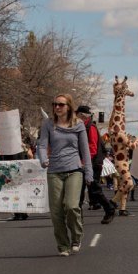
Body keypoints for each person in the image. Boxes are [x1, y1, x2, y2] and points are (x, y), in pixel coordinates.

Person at [37, 94, 93, 257]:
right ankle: (63, 245)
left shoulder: (78, 124)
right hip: (54, 170)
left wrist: (88, 171)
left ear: (69, 106)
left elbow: (85, 151)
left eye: (61, 104)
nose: (57, 107)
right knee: (56, 212)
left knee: (71, 206)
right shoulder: (48, 124)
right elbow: (42, 145)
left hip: (74, 170)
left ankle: (76, 237)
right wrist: (43, 159)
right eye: (55, 104)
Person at [76, 105, 116, 224]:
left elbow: (92, 148)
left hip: (92, 163)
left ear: (82, 116)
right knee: (78, 190)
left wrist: (84, 162)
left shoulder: (90, 127)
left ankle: (109, 209)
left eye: (77, 115)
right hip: (83, 163)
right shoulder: (80, 126)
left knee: (94, 191)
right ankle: (78, 218)